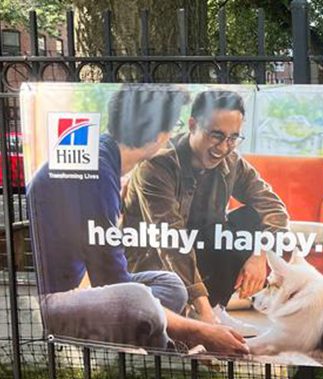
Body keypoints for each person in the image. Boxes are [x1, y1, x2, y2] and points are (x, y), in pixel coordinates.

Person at [28, 86, 249, 355]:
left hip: (75, 292)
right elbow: (111, 281)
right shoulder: (96, 169)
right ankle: (169, 352)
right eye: (174, 125)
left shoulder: (103, 158)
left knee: (171, 285)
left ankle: (155, 331)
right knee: (137, 298)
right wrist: (199, 328)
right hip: (49, 305)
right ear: (156, 133)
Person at [122, 90, 289, 334]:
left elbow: (274, 208)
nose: (223, 147)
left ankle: (216, 309)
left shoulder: (232, 162)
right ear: (192, 125)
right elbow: (171, 243)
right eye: (216, 136)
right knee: (185, 246)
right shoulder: (157, 165)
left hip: (196, 252)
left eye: (233, 138)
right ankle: (201, 313)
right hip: (154, 262)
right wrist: (204, 315)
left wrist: (261, 255)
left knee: (250, 218)